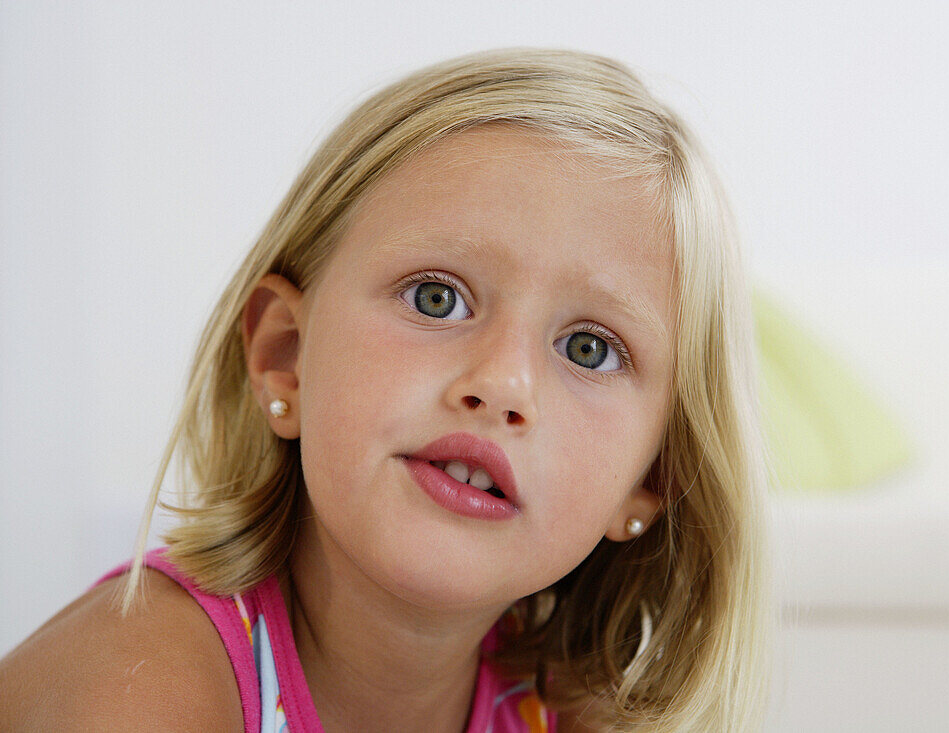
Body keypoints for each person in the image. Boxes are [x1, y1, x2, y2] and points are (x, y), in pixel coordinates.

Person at [0, 48, 772, 732]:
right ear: (286, 355)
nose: (503, 383)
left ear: (651, 479)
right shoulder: (138, 691)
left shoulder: (560, 713)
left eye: (588, 348)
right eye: (437, 298)